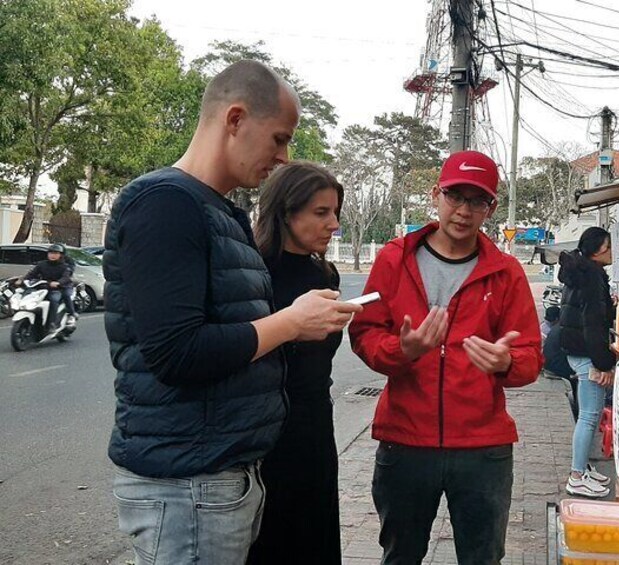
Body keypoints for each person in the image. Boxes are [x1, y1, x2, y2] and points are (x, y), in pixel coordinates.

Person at [103, 60, 361, 565]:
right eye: (279, 138)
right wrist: (290, 322)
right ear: (236, 119)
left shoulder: (220, 211)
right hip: (186, 485)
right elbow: (176, 352)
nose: (284, 157)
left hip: (221, 476)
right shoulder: (165, 204)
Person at [349, 150, 543, 565]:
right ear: (435, 194)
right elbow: (364, 333)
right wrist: (404, 350)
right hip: (405, 440)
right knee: (400, 554)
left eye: (477, 201)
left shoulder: (506, 271)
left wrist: (504, 362)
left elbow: (530, 355)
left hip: (483, 448)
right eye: (455, 196)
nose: (463, 210)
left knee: (482, 557)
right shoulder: (393, 259)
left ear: (490, 208)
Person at [246, 162, 345, 564]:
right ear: (286, 212)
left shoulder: (326, 274)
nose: (334, 224)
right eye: (321, 213)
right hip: (262, 437)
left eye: (336, 212)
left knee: (314, 541)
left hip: (315, 429)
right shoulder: (252, 274)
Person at [558, 227, 617, 499]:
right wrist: (604, 364)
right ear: (598, 250)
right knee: (589, 415)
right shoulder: (592, 276)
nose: (612, 251)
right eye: (609, 246)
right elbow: (593, 324)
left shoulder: (580, 273)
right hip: (586, 353)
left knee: (588, 414)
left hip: (577, 349)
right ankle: (577, 475)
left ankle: (583, 469)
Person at [19, 243, 76, 330]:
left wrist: (58, 283)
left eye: (56, 253)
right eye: (51, 253)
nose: (52, 255)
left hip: (59, 288)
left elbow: (66, 277)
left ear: (61, 255)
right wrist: (22, 280)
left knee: (54, 299)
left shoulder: (65, 266)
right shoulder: (42, 264)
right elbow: (32, 274)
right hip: (44, 287)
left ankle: (54, 322)